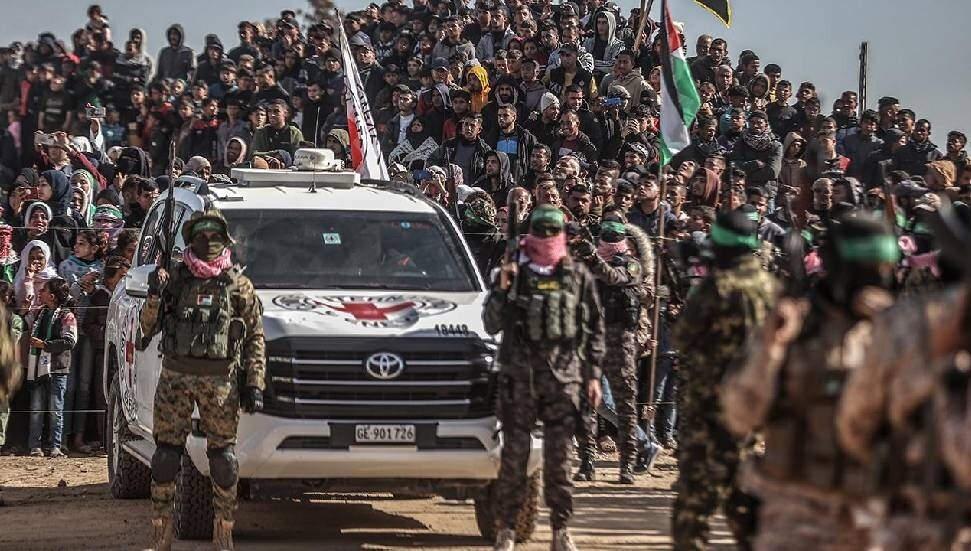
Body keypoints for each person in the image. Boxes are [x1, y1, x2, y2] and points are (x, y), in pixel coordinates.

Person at [723, 213, 899, 551]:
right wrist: (771, 350)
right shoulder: (793, 328)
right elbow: (740, 415)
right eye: (868, 269)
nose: (878, 279)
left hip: (872, 520)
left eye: (884, 269)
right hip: (795, 516)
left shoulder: (899, 330)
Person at [140, 209, 265, 550]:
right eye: (201, 234)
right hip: (176, 377)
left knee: (223, 461)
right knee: (166, 457)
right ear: (190, 239)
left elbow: (255, 336)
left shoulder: (237, 284)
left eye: (214, 235)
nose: (207, 241)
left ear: (225, 240)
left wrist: (255, 382)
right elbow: (146, 329)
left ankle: (223, 531)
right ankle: (160, 532)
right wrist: (154, 294)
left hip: (220, 381)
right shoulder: (175, 279)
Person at [484, 204, 604, 551]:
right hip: (520, 379)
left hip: (562, 380)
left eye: (554, 232)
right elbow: (491, 323)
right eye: (542, 232)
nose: (548, 238)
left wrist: (593, 376)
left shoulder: (576, 275)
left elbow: (594, 328)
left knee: (559, 460)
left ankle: (560, 529)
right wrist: (502, 288)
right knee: (514, 459)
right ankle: (507, 529)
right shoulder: (514, 272)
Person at [671, 209, 778, 550]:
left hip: (711, 404)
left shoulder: (717, 287)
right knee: (744, 494)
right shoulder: (772, 288)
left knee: (693, 505)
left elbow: (682, 337)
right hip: (754, 405)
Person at [574, 218, 655, 483]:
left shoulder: (631, 265)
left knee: (624, 403)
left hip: (620, 341)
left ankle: (627, 464)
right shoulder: (588, 262)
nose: (609, 244)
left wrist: (592, 258)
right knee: (586, 404)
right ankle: (586, 462)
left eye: (613, 240)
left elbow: (613, 276)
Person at [26, 277, 77, 458]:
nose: (40, 293)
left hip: (57, 368)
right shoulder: (40, 314)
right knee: (36, 408)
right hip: (38, 367)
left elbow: (69, 341)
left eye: (44, 290)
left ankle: (56, 445)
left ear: (52, 296)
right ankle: (35, 445)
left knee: (56, 409)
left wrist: (45, 345)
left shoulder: (67, 316)